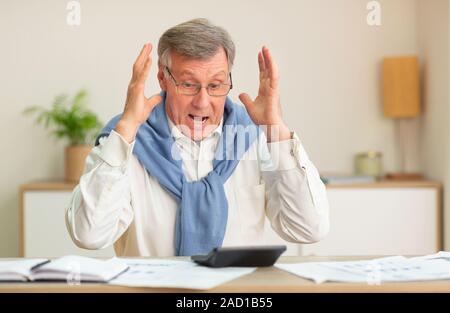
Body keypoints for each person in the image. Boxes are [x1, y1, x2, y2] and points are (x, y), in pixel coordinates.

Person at [66, 18, 329, 257]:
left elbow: (309, 229)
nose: (202, 102)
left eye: (215, 86)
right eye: (188, 84)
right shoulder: (128, 141)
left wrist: (277, 128)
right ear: (162, 78)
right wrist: (126, 127)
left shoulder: (255, 136)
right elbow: (89, 235)